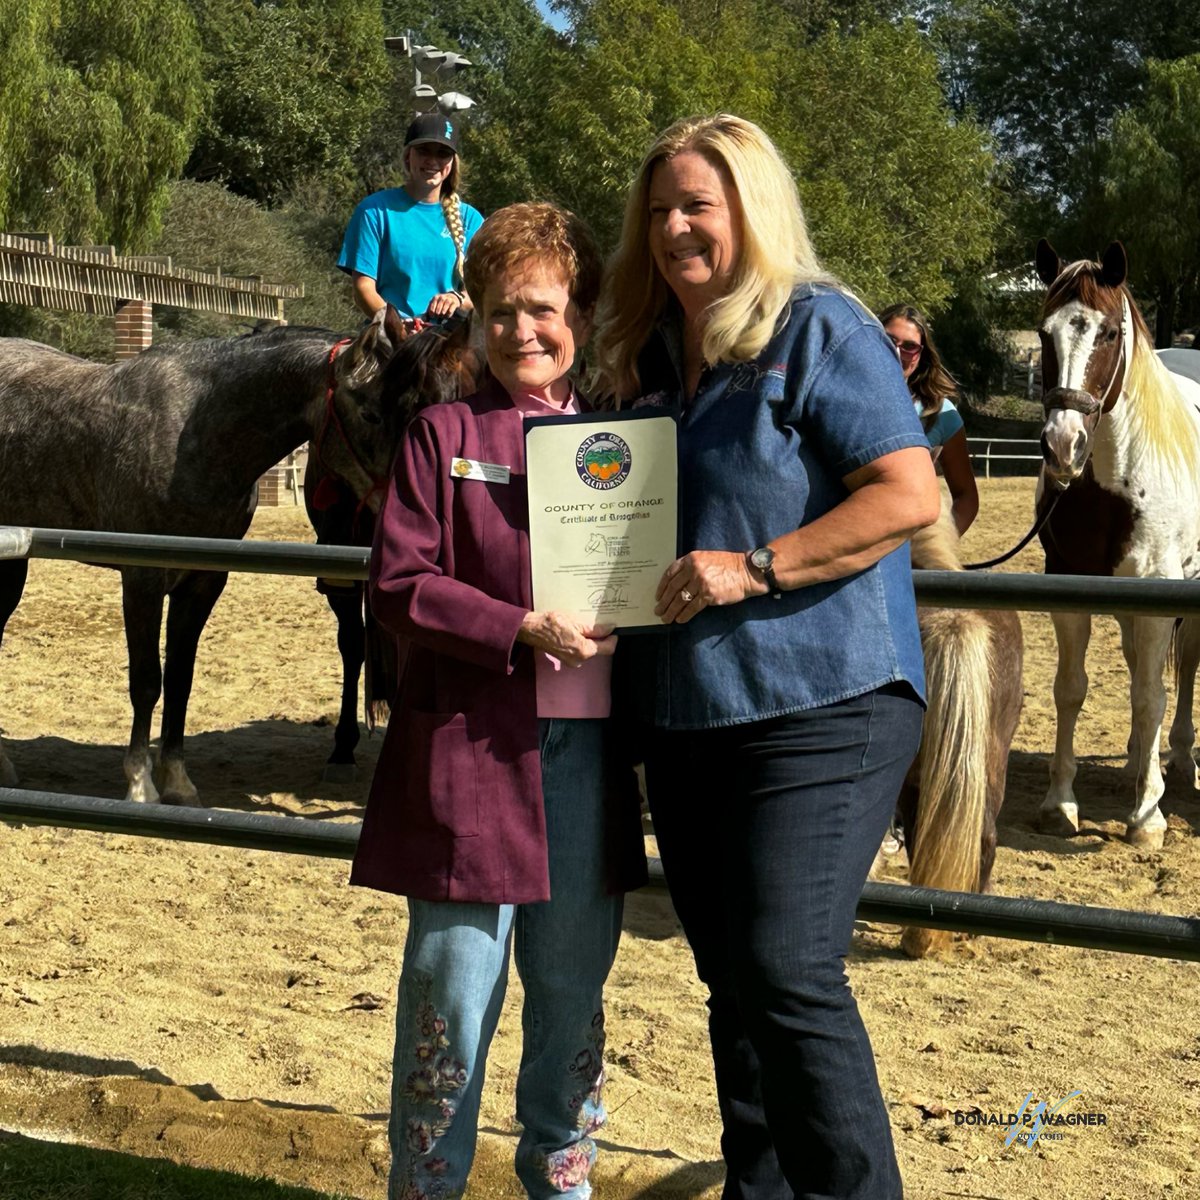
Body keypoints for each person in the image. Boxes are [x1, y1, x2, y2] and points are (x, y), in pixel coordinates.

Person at [593, 114, 940, 1200]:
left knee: (787, 969)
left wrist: (754, 568)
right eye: (658, 211)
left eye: (698, 204)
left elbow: (909, 494)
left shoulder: (820, 326)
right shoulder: (646, 355)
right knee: (734, 983)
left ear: (751, 208)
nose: (674, 229)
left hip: (825, 702)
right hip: (689, 710)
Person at [350, 201, 646, 1200]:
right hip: (471, 755)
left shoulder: (627, 445)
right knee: (452, 993)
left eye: (545, 309)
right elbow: (399, 583)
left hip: (587, 763)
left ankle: (563, 1182)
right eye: (503, 310)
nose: (524, 330)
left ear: (582, 316)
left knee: (572, 995)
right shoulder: (441, 435)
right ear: (477, 315)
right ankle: (426, 1185)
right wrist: (515, 626)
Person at [337, 113, 484, 321]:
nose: (432, 161)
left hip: (451, 336)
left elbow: (481, 293)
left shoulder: (471, 219)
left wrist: (457, 299)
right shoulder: (374, 211)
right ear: (408, 155)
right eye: (424, 150)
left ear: (452, 162)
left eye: (443, 153)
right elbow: (363, 288)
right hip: (389, 333)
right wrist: (398, 328)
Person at [878, 302, 979, 536]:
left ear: (921, 355)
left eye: (909, 346)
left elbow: (966, 497)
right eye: (889, 340)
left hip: (903, 543)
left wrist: (938, 547)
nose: (897, 352)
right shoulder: (838, 398)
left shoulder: (941, 414)